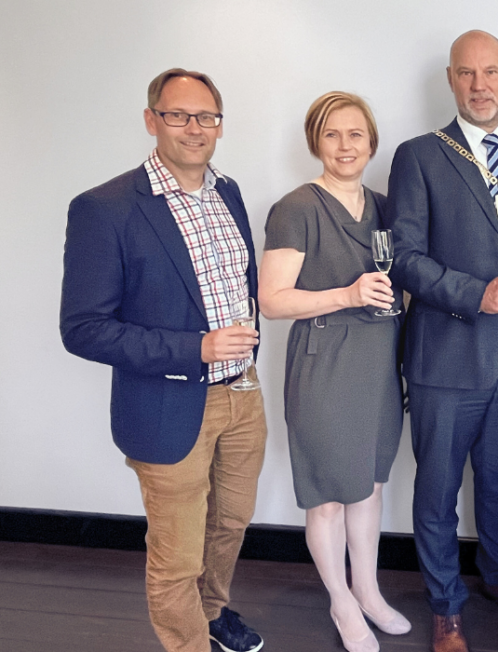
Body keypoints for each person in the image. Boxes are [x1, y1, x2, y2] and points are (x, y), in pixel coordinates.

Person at [60, 69, 266, 652]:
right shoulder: (105, 208)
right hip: (166, 404)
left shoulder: (228, 191)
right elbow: (83, 329)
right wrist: (194, 348)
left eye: (207, 117)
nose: (194, 128)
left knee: (230, 524)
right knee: (177, 555)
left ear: (220, 125)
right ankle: (186, 643)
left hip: (242, 393)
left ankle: (211, 614)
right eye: (178, 115)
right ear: (152, 120)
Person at [385, 29, 498, 652]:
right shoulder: (419, 155)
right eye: (466, 73)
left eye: (489, 72)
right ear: (451, 80)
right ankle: (445, 605)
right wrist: (476, 293)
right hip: (446, 358)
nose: (479, 85)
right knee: (437, 491)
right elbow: (404, 257)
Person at [259, 92, 407, 652]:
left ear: (371, 142)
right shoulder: (296, 208)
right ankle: (341, 602)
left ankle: (368, 591)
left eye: (355, 134)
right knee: (327, 495)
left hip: (378, 363)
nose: (345, 146)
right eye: (331, 134)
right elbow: (272, 300)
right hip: (324, 362)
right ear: (315, 142)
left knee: (368, 485)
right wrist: (347, 294)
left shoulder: (387, 207)